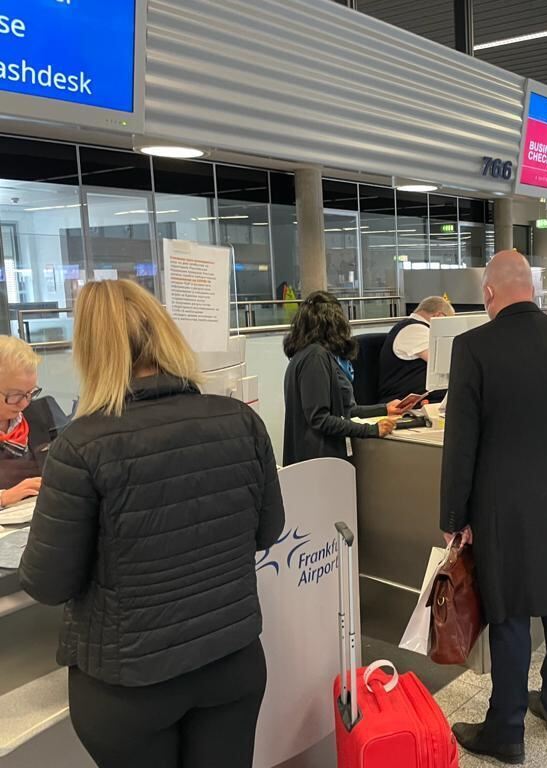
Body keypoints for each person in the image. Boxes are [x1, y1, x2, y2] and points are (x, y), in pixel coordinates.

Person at [18, 279, 285, 768]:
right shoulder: (240, 420)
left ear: (91, 351)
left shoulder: (82, 445)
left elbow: (47, 583)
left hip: (130, 684)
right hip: (232, 661)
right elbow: (267, 532)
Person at [441, 251, 547, 764]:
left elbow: (461, 442)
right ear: (531, 288)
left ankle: (506, 730)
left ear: (489, 293)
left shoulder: (473, 347)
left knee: (508, 612)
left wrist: (454, 517)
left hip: (500, 502)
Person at [282, 291, 400, 465]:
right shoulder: (315, 357)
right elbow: (319, 418)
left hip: (319, 460)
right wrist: (371, 430)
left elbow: (345, 411)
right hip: (319, 462)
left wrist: (384, 409)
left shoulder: (313, 355)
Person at [377, 295, 455, 402]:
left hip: (421, 399)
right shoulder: (414, 329)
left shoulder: (413, 327)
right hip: (402, 402)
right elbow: (443, 364)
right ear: (439, 316)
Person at [0, 336, 44, 506]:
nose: (24, 403)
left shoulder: (37, 417)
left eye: (30, 393)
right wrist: (3, 498)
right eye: (15, 395)